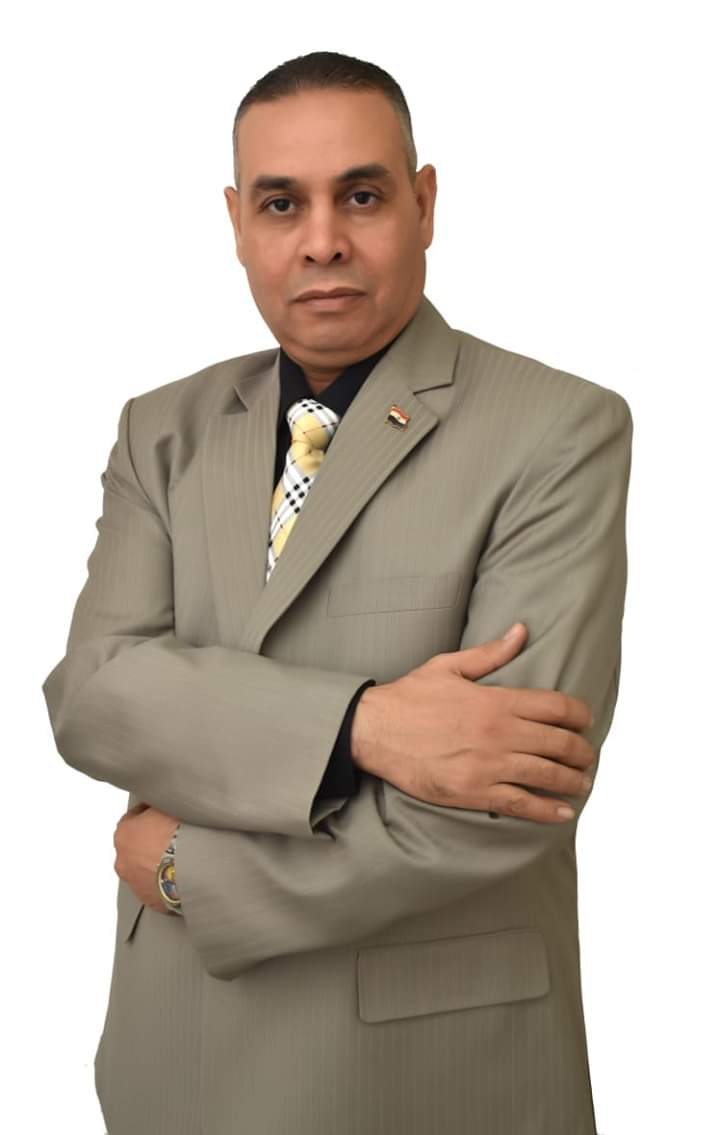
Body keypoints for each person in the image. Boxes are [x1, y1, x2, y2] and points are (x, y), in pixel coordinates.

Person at [41, 49, 632, 1135]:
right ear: (236, 221)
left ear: (424, 203)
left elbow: (509, 797)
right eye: (281, 203)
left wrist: (186, 869)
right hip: (174, 1061)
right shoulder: (160, 432)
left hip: (427, 1077)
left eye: (361, 196)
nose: (321, 240)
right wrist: (364, 724)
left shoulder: (557, 430)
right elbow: (94, 695)